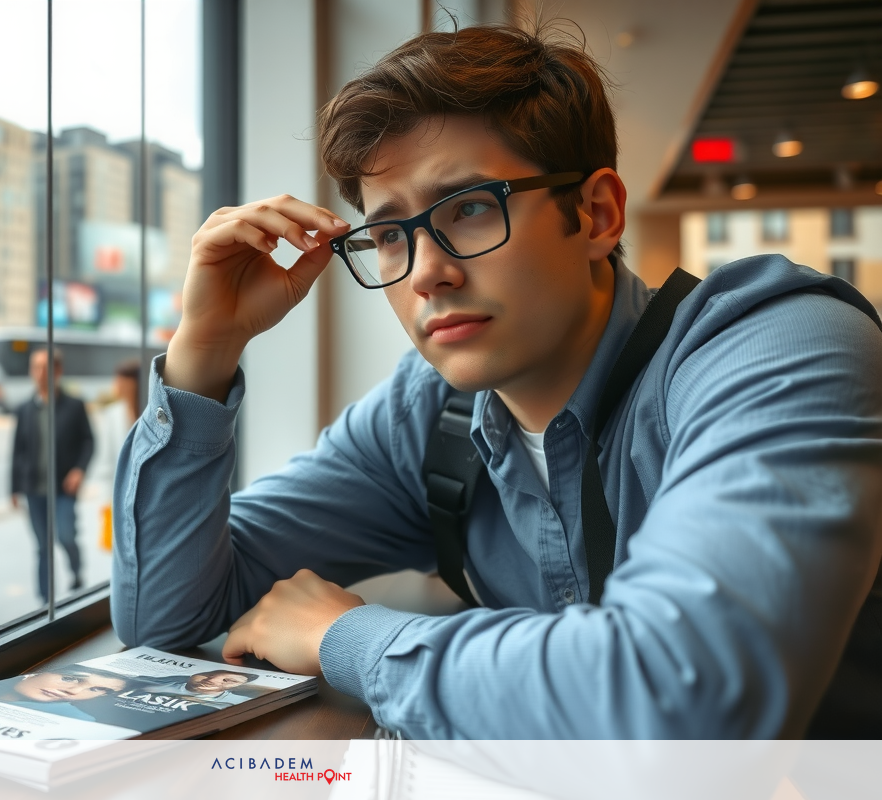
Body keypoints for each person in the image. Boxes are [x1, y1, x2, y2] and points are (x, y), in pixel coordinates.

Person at [110, 24, 882, 738]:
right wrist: (205, 350)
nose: (430, 274)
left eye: (471, 208)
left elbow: (684, 697)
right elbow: (167, 617)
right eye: (389, 235)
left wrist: (348, 637)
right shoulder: (426, 415)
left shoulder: (774, 346)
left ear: (597, 213)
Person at [10, 348, 95, 601]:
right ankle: (45, 601)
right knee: (43, 545)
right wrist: (14, 488)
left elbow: (88, 441)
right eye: (35, 367)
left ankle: (76, 571)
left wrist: (79, 470)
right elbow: (17, 450)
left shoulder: (75, 406)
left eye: (46, 367)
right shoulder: (24, 409)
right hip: (34, 489)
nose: (40, 373)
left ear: (58, 371)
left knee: (66, 535)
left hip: (63, 488)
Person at [0, 666, 129, 721]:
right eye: (68, 678)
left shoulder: (76, 719)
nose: (72, 691)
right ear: (37, 672)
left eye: (95, 690)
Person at [90, 360, 141, 487]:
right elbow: (106, 458)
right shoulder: (112, 414)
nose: (116, 385)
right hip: (120, 482)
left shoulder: (147, 411)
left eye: (122, 381)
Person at [139, 669, 257, 709]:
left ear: (236, 686)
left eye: (229, 680)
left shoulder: (239, 703)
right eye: (210, 675)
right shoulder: (145, 682)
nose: (211, 680)